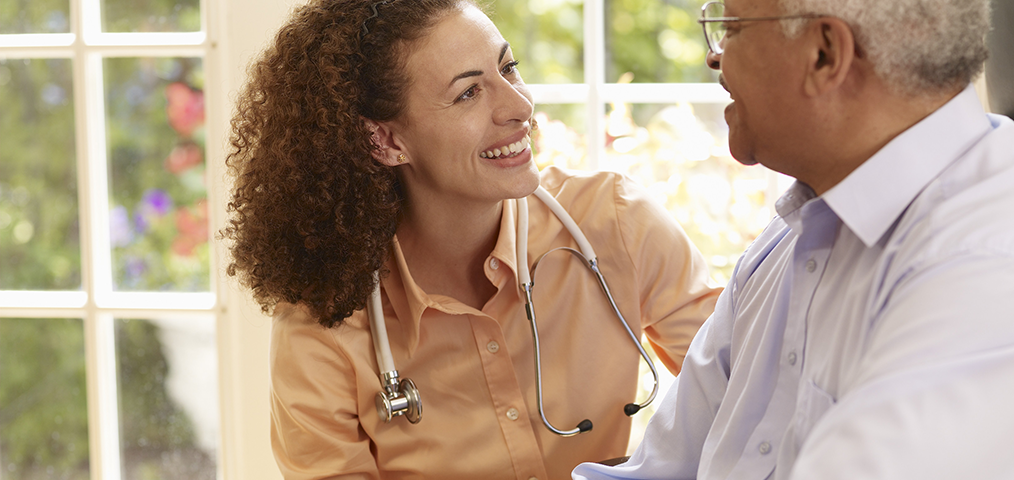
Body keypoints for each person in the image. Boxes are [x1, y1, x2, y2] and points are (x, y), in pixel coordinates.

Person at [573, 0, 1014, 478]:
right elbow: (662, 469)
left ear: (824, 54)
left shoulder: (995, 271)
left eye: (731, 26)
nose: (713, 54)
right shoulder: (793, 235)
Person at [220, 0, 722, 478]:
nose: (520, 105)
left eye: (508, 69)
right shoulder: (323, 324)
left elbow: (751, 398)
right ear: (386, 141)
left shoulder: (617, 222)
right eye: (469, 93)